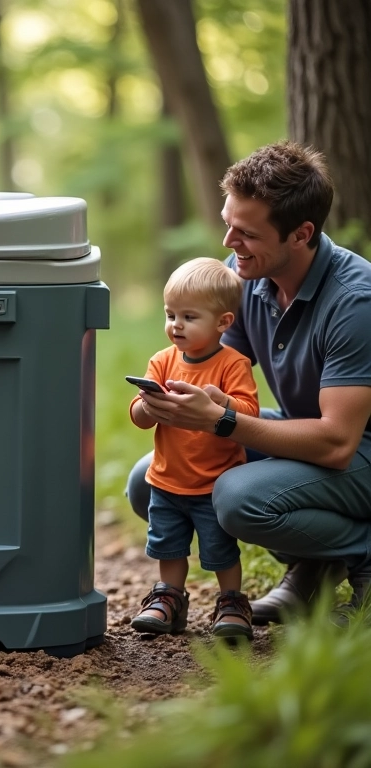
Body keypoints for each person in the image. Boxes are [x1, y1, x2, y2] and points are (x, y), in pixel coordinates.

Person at [126, 141, 371, 625]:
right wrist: (169, 402)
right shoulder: (254, 282)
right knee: (149, 480)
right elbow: (212, 365)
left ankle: (361, 557)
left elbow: (339, 443)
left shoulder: (355, 302)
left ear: (301, 234)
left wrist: (222, 420)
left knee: (238, 497)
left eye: (246, 232)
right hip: (312, 438)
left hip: (357, 448)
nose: (228, 242)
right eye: (227, 223)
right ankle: (313, 570)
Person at [129, 258, 259, 639]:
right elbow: (139, 417)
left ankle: (232, 601)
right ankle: (169, 597)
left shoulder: (232, 364)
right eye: (170, 315)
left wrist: (220, 404)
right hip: (167, 480)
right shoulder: (162, 361)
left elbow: (249, 414)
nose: (176, 325)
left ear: (223, 322)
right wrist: (147, 405)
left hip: (214, 482)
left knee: (221, 551)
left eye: (189, 316)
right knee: (168, 546)